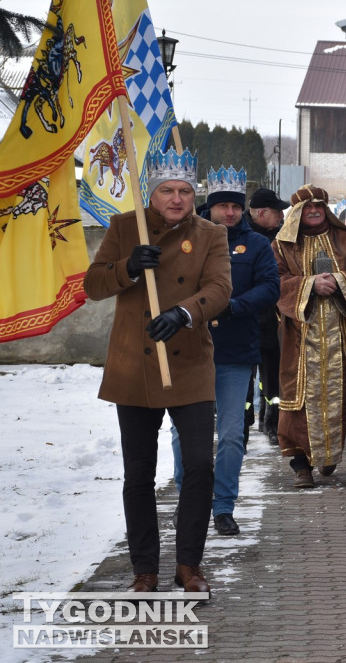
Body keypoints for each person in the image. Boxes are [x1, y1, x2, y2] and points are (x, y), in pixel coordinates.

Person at [83, 147, 231, 594]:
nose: (176, 198)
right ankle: (144, 570)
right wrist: (127, 268)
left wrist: (184, 314)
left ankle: (189, 566)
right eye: (167, 189)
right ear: (152, 191)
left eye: (185, 190)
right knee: (139, 473)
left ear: (194, 194)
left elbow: (220, 289)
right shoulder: (125, 227)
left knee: (201, 466)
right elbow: (92, 285)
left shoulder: (211, 233)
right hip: (136, 367)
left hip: (189, 363)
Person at [170, 167, 280, 537]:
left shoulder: (258, 245)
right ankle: (189, 503)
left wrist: (234, 305)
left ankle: (223, 506)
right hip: (189, 350)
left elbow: (269, 288)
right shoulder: (184, 238)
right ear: (210, 207)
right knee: (184, 435)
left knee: (232, 433)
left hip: (235, 352)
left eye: (235, 206)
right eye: (222, 207)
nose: (229, 213)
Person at [272, 184, 346, 488]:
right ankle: (301, 464)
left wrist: (341, 281)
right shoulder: (282, 245)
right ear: (297, 212)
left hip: (341, 336)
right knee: (298, 399)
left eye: (318, 205)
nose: (314, 210)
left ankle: (328, 454)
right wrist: (309, 285)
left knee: (338, 396)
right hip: (299, 338)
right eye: (307, 207)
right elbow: (272, 280)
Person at [244, 187, 288, 445]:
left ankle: (272, 423)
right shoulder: (243, 237)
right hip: (248, 320)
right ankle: (244, 428)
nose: (282, 215)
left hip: (274, 322)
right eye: (277, 211)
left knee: (274, 379)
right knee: (245, 383)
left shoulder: (281, 237)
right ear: (261, 213)